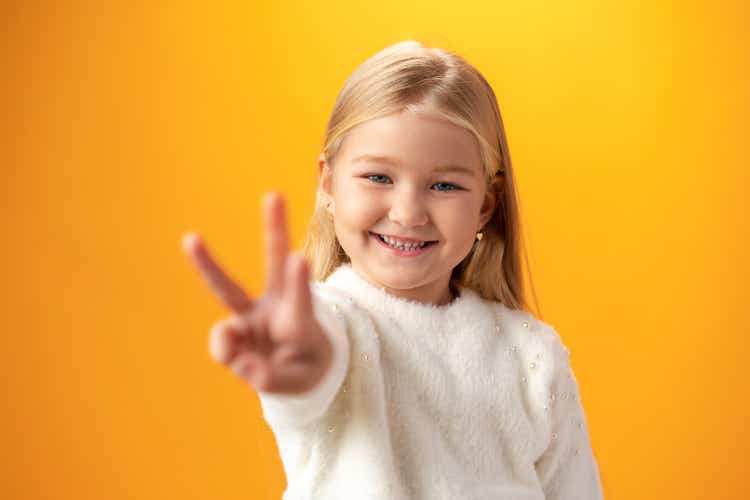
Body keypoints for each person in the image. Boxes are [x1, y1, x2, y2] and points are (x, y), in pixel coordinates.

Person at [182, 40, 605, 500]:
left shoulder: (533, 355)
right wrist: (299, 365)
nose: (407, 213)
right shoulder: (330, 324)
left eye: (444, 185)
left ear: (485, 205)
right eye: (378, 177)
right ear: (328, 183)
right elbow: (314, 372)